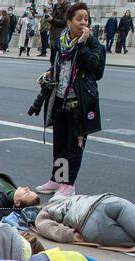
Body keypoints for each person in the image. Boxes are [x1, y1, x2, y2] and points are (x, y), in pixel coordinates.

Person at [33, 3, 104, 197]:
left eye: (86, 19)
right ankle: (57, 179)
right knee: (60, 143)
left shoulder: (93, 44)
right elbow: (55, 65)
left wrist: (81, 45)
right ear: (69, 21)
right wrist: (48, 74)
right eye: (79, 19)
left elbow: (96, 70)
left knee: (75, 145)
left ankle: (68, 184)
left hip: (79, 102)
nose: (83, 22)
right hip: (59, 99)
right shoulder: (60, 43)